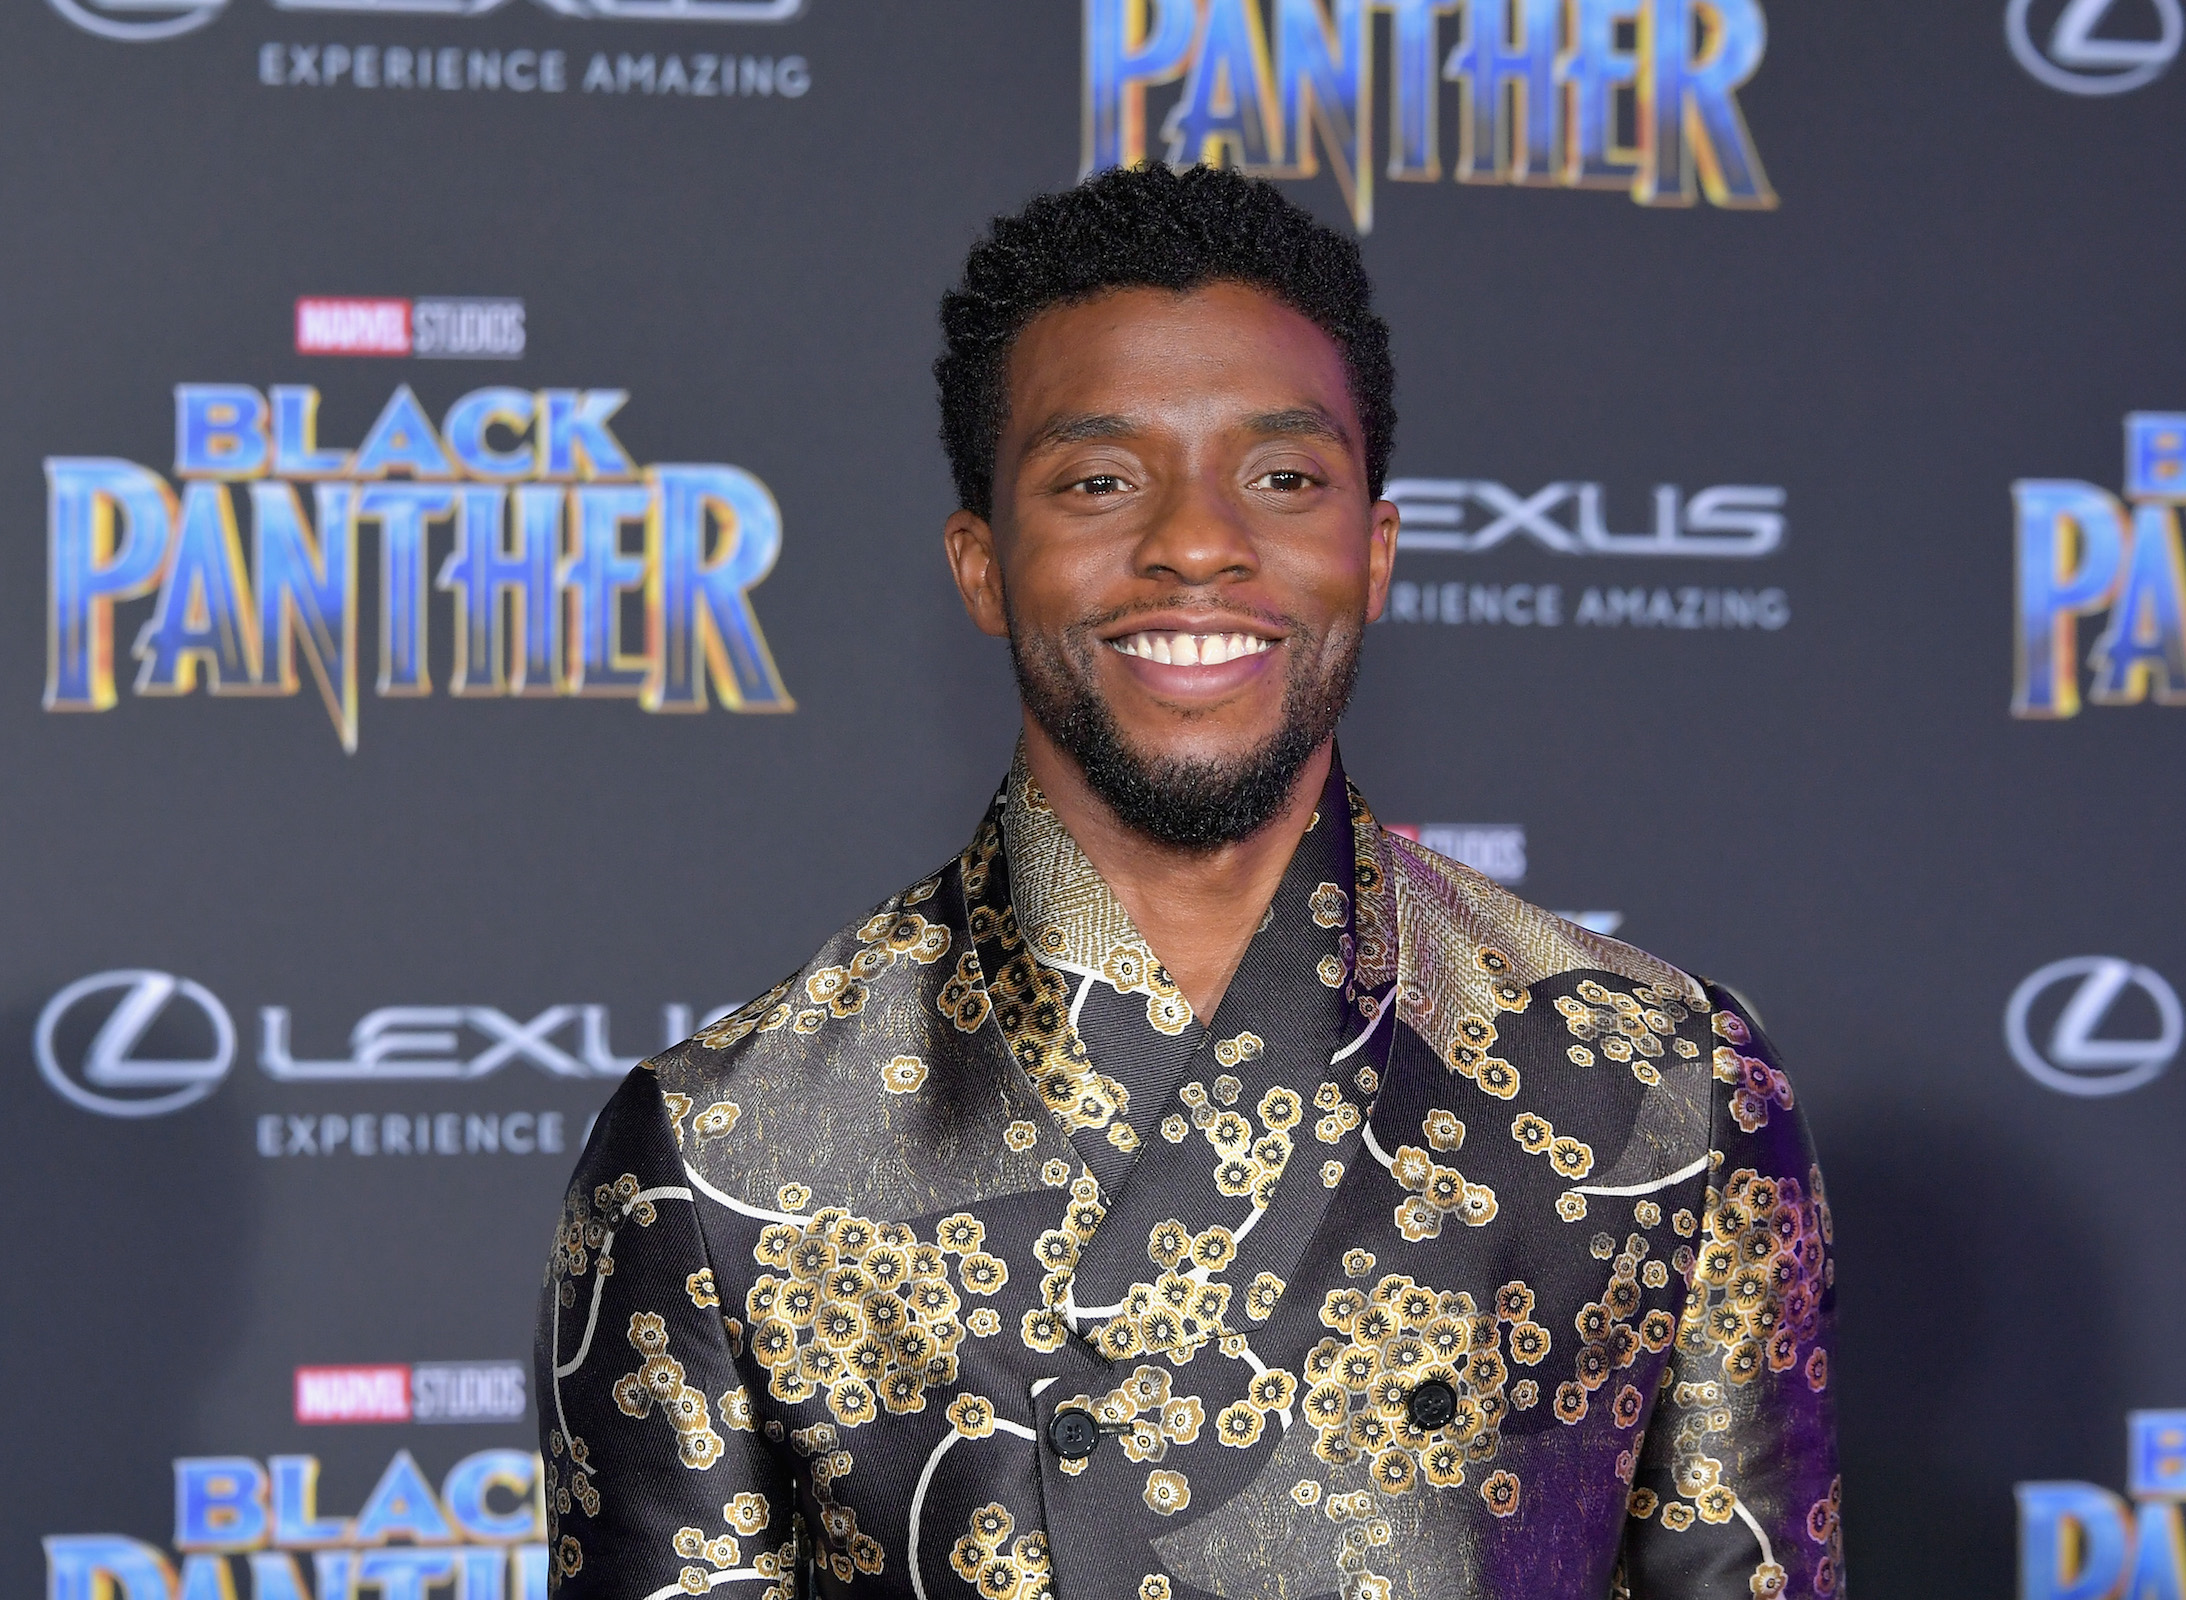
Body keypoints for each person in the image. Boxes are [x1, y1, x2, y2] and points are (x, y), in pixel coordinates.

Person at [537, 162, 1842, 1600]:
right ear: (983, 566)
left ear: (1377, 549)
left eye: (1283, 478)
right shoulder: (725, 1152)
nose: (1199, 543)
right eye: (1099, 481)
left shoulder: (1659, 1083)